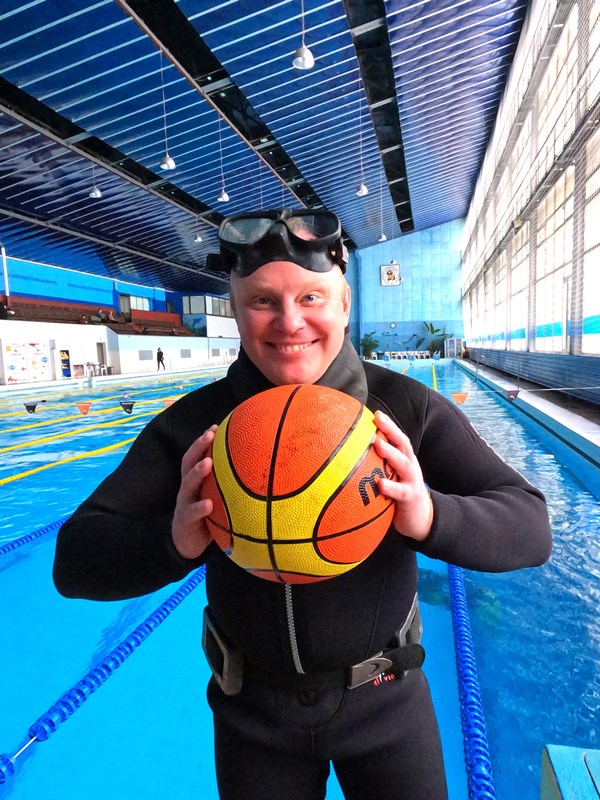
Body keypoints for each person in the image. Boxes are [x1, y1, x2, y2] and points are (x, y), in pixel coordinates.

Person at [53, 208, 552, 800]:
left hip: (388, 707)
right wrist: (174, 541)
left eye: (310, 297)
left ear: (344, 304)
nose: (290, 322)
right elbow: (73, 560)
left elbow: (531, 526)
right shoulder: (196, 428)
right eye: (263, 301)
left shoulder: (404, 412)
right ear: (236, 310)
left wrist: (429, 515)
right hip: (253, 722)